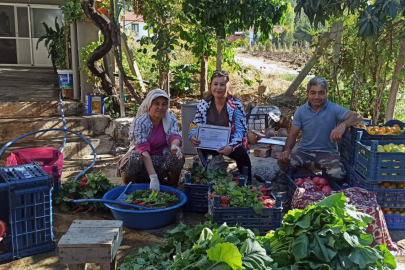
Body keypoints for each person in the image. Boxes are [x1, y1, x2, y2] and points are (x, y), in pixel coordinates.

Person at [278, 76, 362, 182]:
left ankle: (323, 182)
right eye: (313, 93)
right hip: (304, 152)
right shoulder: (301, 111)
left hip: (327, 153)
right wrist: (287, 151)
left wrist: (342, 125)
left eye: (321, 93)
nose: (317, 96)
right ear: (307, 93)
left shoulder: (334, 109)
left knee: (338, 174)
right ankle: (305, 175)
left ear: (327, 93)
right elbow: (292, 134)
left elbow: (357, 117)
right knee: (282, 162)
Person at [189, 70, 252, 183]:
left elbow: (240, 130)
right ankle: (203, 181)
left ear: (228, 86)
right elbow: (195, 123)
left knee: (241, 153)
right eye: (215, 84)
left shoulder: (236, 105)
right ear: (211, 86)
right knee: (200, 152)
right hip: (209, 142)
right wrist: (193, 134)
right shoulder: (204, 103)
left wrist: (231, 147)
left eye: (222, 84)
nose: (218, 88)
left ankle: (248, 183)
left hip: (229, 143)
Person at [117, 89, 185, 189]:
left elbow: (174, 135)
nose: (160, 107)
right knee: (133, 158)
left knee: (177, 155)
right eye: (156, 104)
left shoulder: (170, 119)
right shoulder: (140, 122)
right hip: (142, 164)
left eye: (164, 104)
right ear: (149, 105)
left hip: (161, 163)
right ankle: (127, 188)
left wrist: (175, 145)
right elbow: (142, 149)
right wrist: (153, 177)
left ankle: (171, 187)